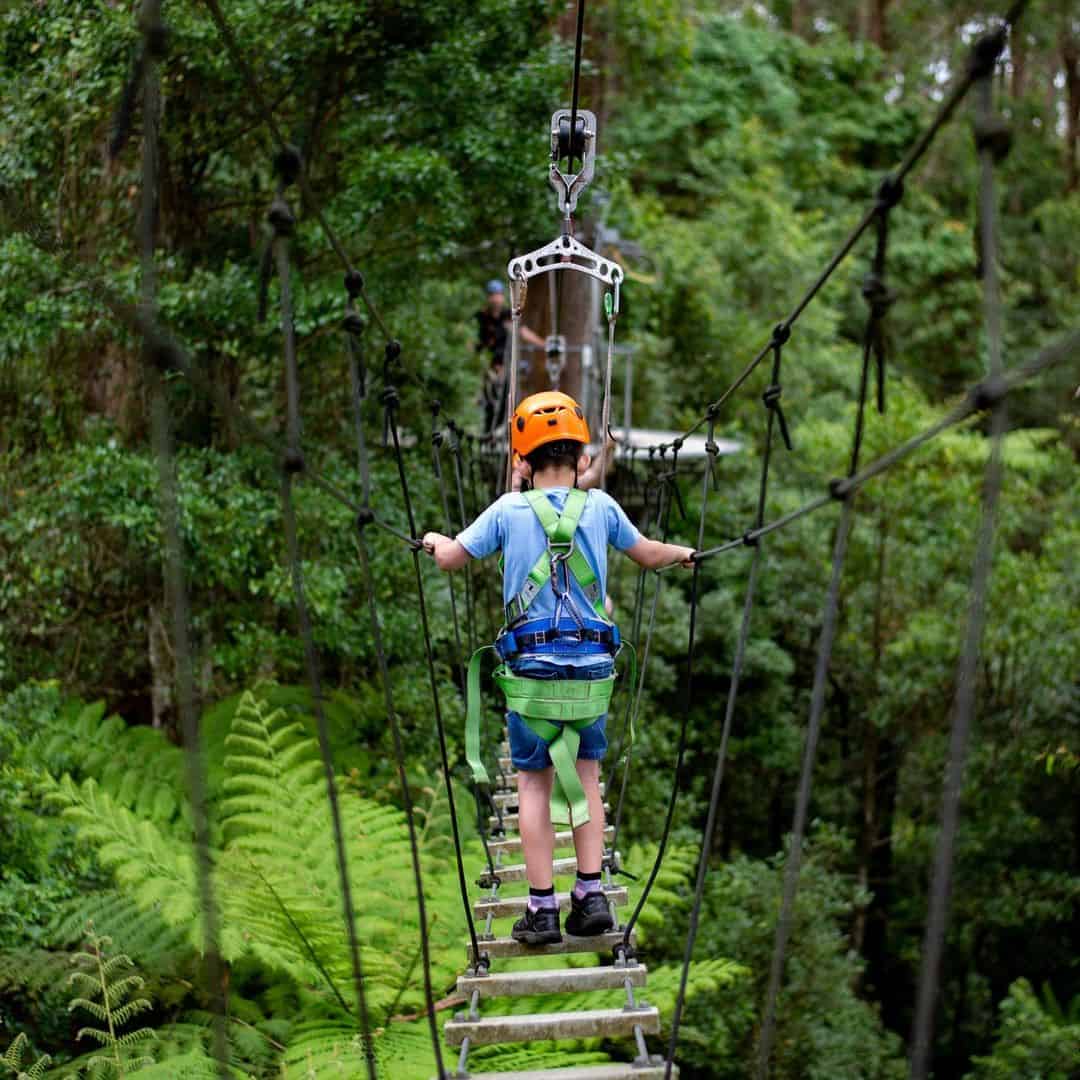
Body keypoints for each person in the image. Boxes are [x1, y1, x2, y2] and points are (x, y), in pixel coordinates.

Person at [423, 391, 694, 946]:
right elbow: (647, 553)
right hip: (593, 673)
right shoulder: (602, 507)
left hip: (531, 677)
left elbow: (452, 558)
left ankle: (542, 909)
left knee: (534, 784)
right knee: (587, 777)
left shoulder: (506, 509)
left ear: (521, 461)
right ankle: (591, 895)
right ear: (583, 459)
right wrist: (686, 553)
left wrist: (433, 541)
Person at [476, 280, 544, 434]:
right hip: (489, 366)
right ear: (488, 297)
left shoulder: (509, 315)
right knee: (490, 399)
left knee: (507, 396)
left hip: (506, 364)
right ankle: (489, 432)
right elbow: (473, 342)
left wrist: (544, 344)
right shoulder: (481, 318)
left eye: (498, 295)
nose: (496, 299)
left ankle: (504, 430)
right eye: (493, 295)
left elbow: (523, 332)